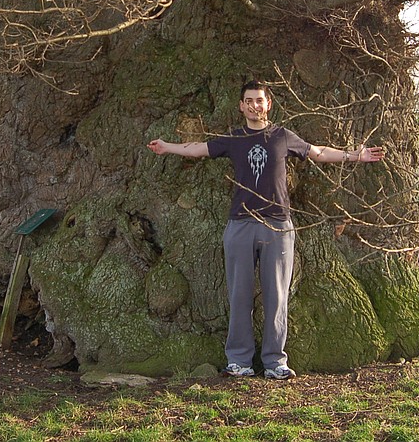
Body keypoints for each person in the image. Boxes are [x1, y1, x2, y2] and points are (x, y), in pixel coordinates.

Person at [147, 80, 386, 380]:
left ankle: (275, 361)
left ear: (268, 104)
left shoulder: (282, 136)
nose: (254, 105)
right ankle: (239, 361)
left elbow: (319, 152)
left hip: (278, 225)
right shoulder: (233, 139)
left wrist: (355, 155)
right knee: (239, 295)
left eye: (259, 100)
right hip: (240, 224)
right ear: (241, 106)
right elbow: (197, 149)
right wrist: (167, 147)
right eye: (249, 101)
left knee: (277, 296)